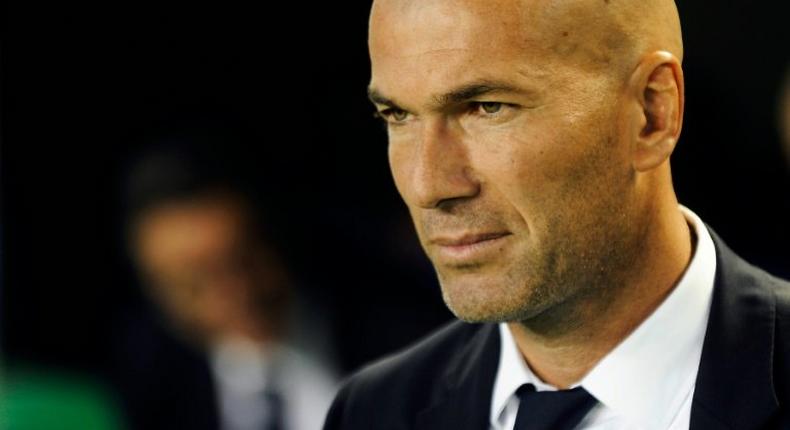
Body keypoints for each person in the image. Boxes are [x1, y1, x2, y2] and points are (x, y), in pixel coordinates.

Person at [324, 0, 790, 429]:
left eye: (488, 108)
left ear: (652, 113)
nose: (428, 187)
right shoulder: (372, 412)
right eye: (397, 116)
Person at [113, 138, 337, 430]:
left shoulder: (399, 334)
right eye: (194, 283)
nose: (235, 294)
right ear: (156, 290)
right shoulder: (145, 386)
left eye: (243, 262)